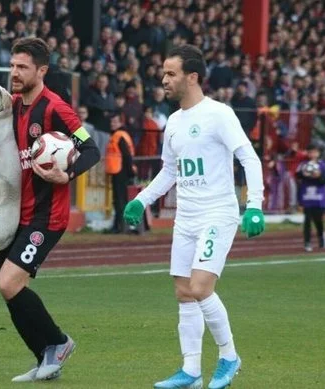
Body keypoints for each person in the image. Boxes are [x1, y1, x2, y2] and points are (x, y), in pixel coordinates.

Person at [123, 45, 265, 389]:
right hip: (185, 217)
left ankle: (229, 357)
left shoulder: (219, 114)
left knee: (201, 287)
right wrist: (141, 200)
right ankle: (190, 371)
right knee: (184, 292)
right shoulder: (173, 122)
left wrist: (255, 205)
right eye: (163, 73)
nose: (163, 79)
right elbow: (169, 171)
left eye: (170, 73)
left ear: (192, 77)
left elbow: (250, 158)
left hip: (217, 212)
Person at [0, 37, 100, 382]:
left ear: (41, 70)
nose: (14, 72)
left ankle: (58, 343)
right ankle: (46, 357)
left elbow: (91, 150)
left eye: (22, 67)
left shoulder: (56, 108)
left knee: (8, 282)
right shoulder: (9, 105)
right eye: (12, 65)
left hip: (48, 216)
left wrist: (66, 172)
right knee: (9, 288)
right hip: (16, 213)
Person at [296, 144, 325, 252]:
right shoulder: (303, 164)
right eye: (310, 152)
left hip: (319, 197)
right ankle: (307, 242)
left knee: (318, 219)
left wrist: (319, 176)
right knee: (307, 219)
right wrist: (304, 174)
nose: (312, 154)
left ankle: (321, 235)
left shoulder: (323, 165)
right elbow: (298, 175)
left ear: (319, 153)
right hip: (307, 196)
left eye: (315, 152)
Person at [106, 112, 135, 234]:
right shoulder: (121, 135)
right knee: (119, 199)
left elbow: (127, 156)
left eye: (115, 122)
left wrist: (130, 173)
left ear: (120, 123)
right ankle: (119, 225)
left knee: (119, 200)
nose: (113, 124)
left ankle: (119, 226)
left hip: (120, 171)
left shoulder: (119, 136)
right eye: (112, 122)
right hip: (118, 170)